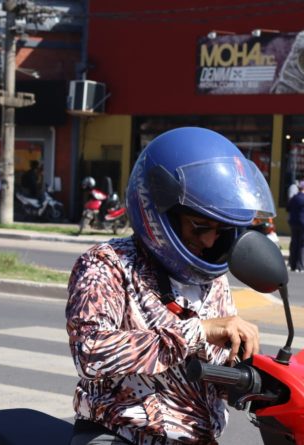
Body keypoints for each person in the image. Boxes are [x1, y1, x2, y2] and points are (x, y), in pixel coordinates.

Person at [65, 127, 274, 445]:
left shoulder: (212, 279)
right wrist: (198, 332)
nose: (208, 240)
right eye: (200, 226)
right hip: (119, 434)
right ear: (157, 210)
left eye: (220, 230)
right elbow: (91, 353)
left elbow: (209, 370)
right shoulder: (107, 264)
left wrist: (249, 376)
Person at [286, 180, 304, 273]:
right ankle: (302, 266)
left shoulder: (294, 198)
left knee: (294, 243)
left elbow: (288, 208)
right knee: (303, 244)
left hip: (294, 223)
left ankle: (293, 264)